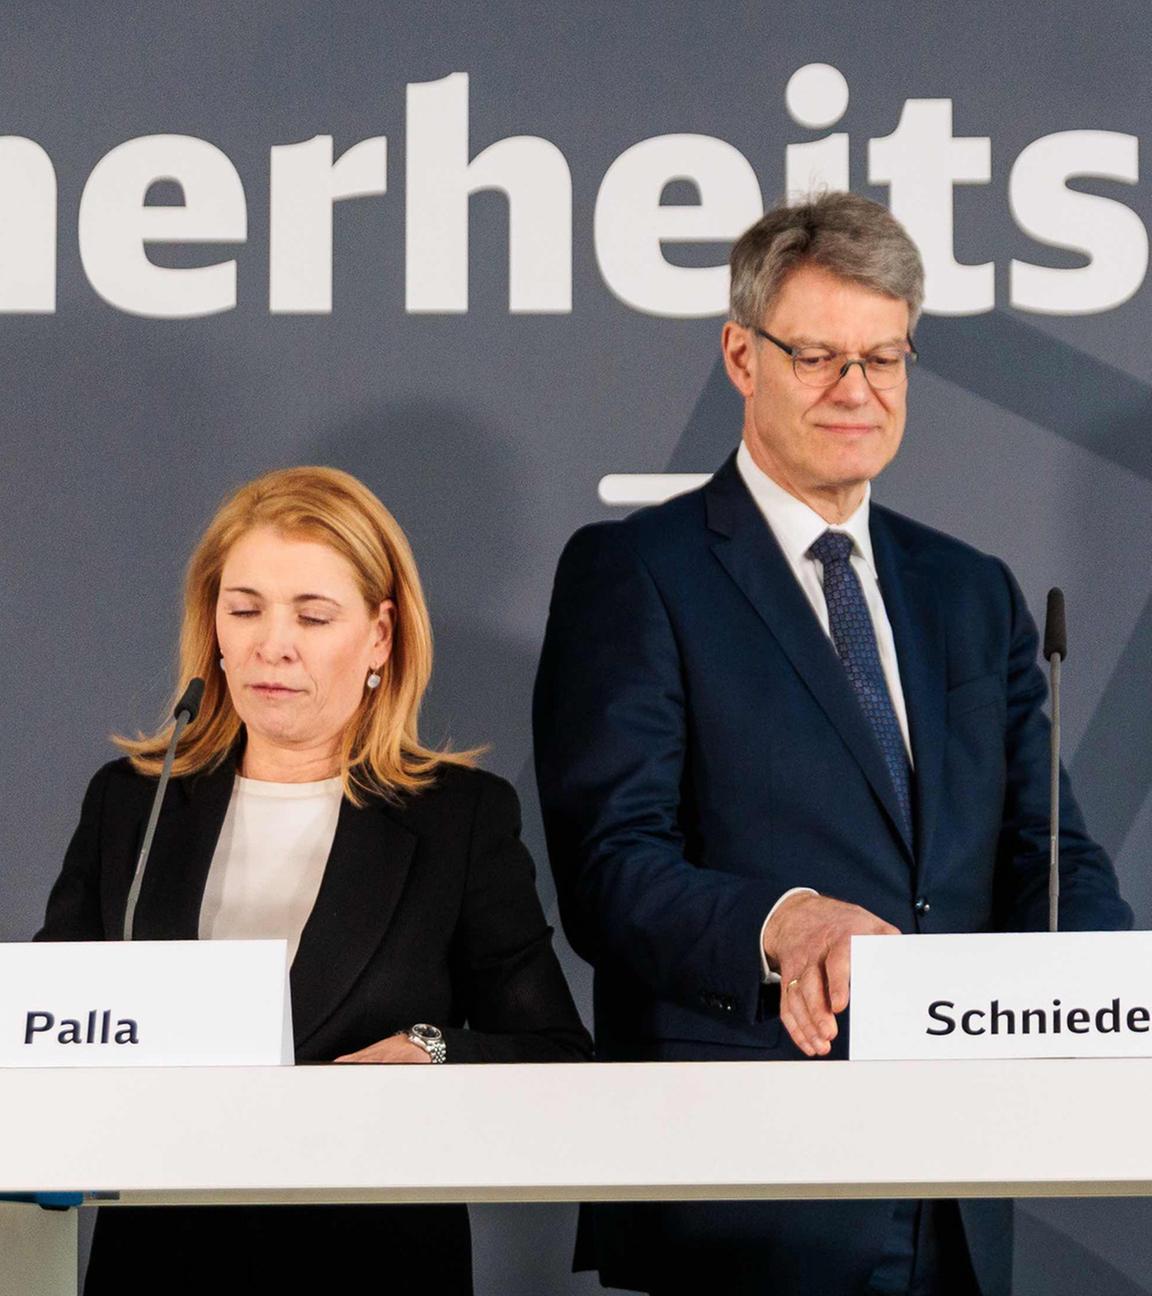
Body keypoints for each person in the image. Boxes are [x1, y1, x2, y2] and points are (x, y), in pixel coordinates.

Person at [533, 192, 1131, 1296]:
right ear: (740, 355)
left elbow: (1048, 859)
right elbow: (609, 868)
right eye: (816, 356)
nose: (856, 390)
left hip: (952, 1193)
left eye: (884, 357)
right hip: (743, 1196)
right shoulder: (640, 574)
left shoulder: (970, 592)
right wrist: (781, 921)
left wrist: (1115, 994)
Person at [39, 465, 591, 1296]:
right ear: (212, 625)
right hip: (158, 1265)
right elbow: (45, 1031)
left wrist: (431, 1051)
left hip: (372, 1263)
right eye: (246, 607)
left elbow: (555, 1055)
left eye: (313, 614)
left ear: (379, 636)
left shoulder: (458, 820)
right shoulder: (133, 804)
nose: (273, 644)